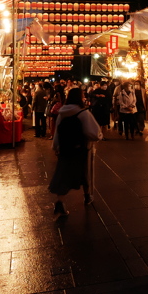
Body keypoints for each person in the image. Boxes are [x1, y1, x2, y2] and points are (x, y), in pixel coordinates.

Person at [49, 87, 102, 216]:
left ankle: (60, 201)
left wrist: (56, 146)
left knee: (64, 174)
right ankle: (87, 195)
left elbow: (57, 132)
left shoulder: (62, 113)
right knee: (84, 172)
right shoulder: (83, 113)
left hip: (65, 149)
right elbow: (93, 133)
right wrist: (98, 136)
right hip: (80, 148)